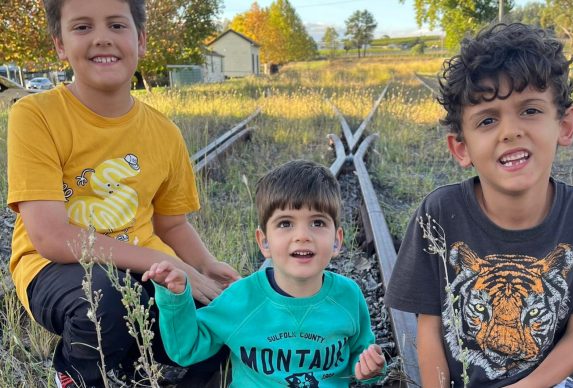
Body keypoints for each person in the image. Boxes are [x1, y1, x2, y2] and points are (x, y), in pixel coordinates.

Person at [6, 0, 240, 387]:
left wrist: (204, 264)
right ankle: (77, 377)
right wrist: (158, 261)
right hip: (57, 269)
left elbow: (171, 223)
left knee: (224, 323)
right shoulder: (36, 115)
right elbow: (51, 237)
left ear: (141, 39)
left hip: (148, 266)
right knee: (107, 302)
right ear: (60, 44)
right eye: (81, 28)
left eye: (116, 25)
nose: (101, 38)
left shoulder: (164, 132)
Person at [385, 23, 573, 388]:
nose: (509, 131)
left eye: (529, 110)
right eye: (488, 119)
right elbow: (428, 330)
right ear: (461, 148)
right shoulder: (438, 214)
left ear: (565, 126)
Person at [143, 160, 386, 387]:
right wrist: (175, 299)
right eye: (285, 224)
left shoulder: (347, 296)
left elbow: (360, 354)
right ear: (264, 242)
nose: (302, 235)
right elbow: (187, 349)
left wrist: (369, 369)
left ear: (337, 241)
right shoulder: (242, 298)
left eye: (318, 223)